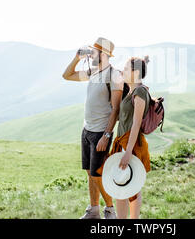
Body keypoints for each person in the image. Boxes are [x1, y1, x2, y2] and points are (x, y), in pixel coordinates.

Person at [62, 37, 123, 219]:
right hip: (87, 129)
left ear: (104, 54)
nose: (91, 54)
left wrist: (106, 135)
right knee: (90, 172)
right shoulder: (94, 72)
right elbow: (67, 75)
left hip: (100, 132)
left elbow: (116, 109)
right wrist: (77, 58)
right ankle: (94, 210)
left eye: (93, 51)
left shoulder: (114, 76)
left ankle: (110, 210)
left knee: (97, 173)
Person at [96, 55, 151, 219]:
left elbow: (136, 124)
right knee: (121, 184)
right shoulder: (133, 91)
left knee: (132, 186)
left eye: (126, 69)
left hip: (131, 144)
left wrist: (128, 152)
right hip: (123, 142)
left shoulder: (140, 92)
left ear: (134, 72)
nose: (123, 70)